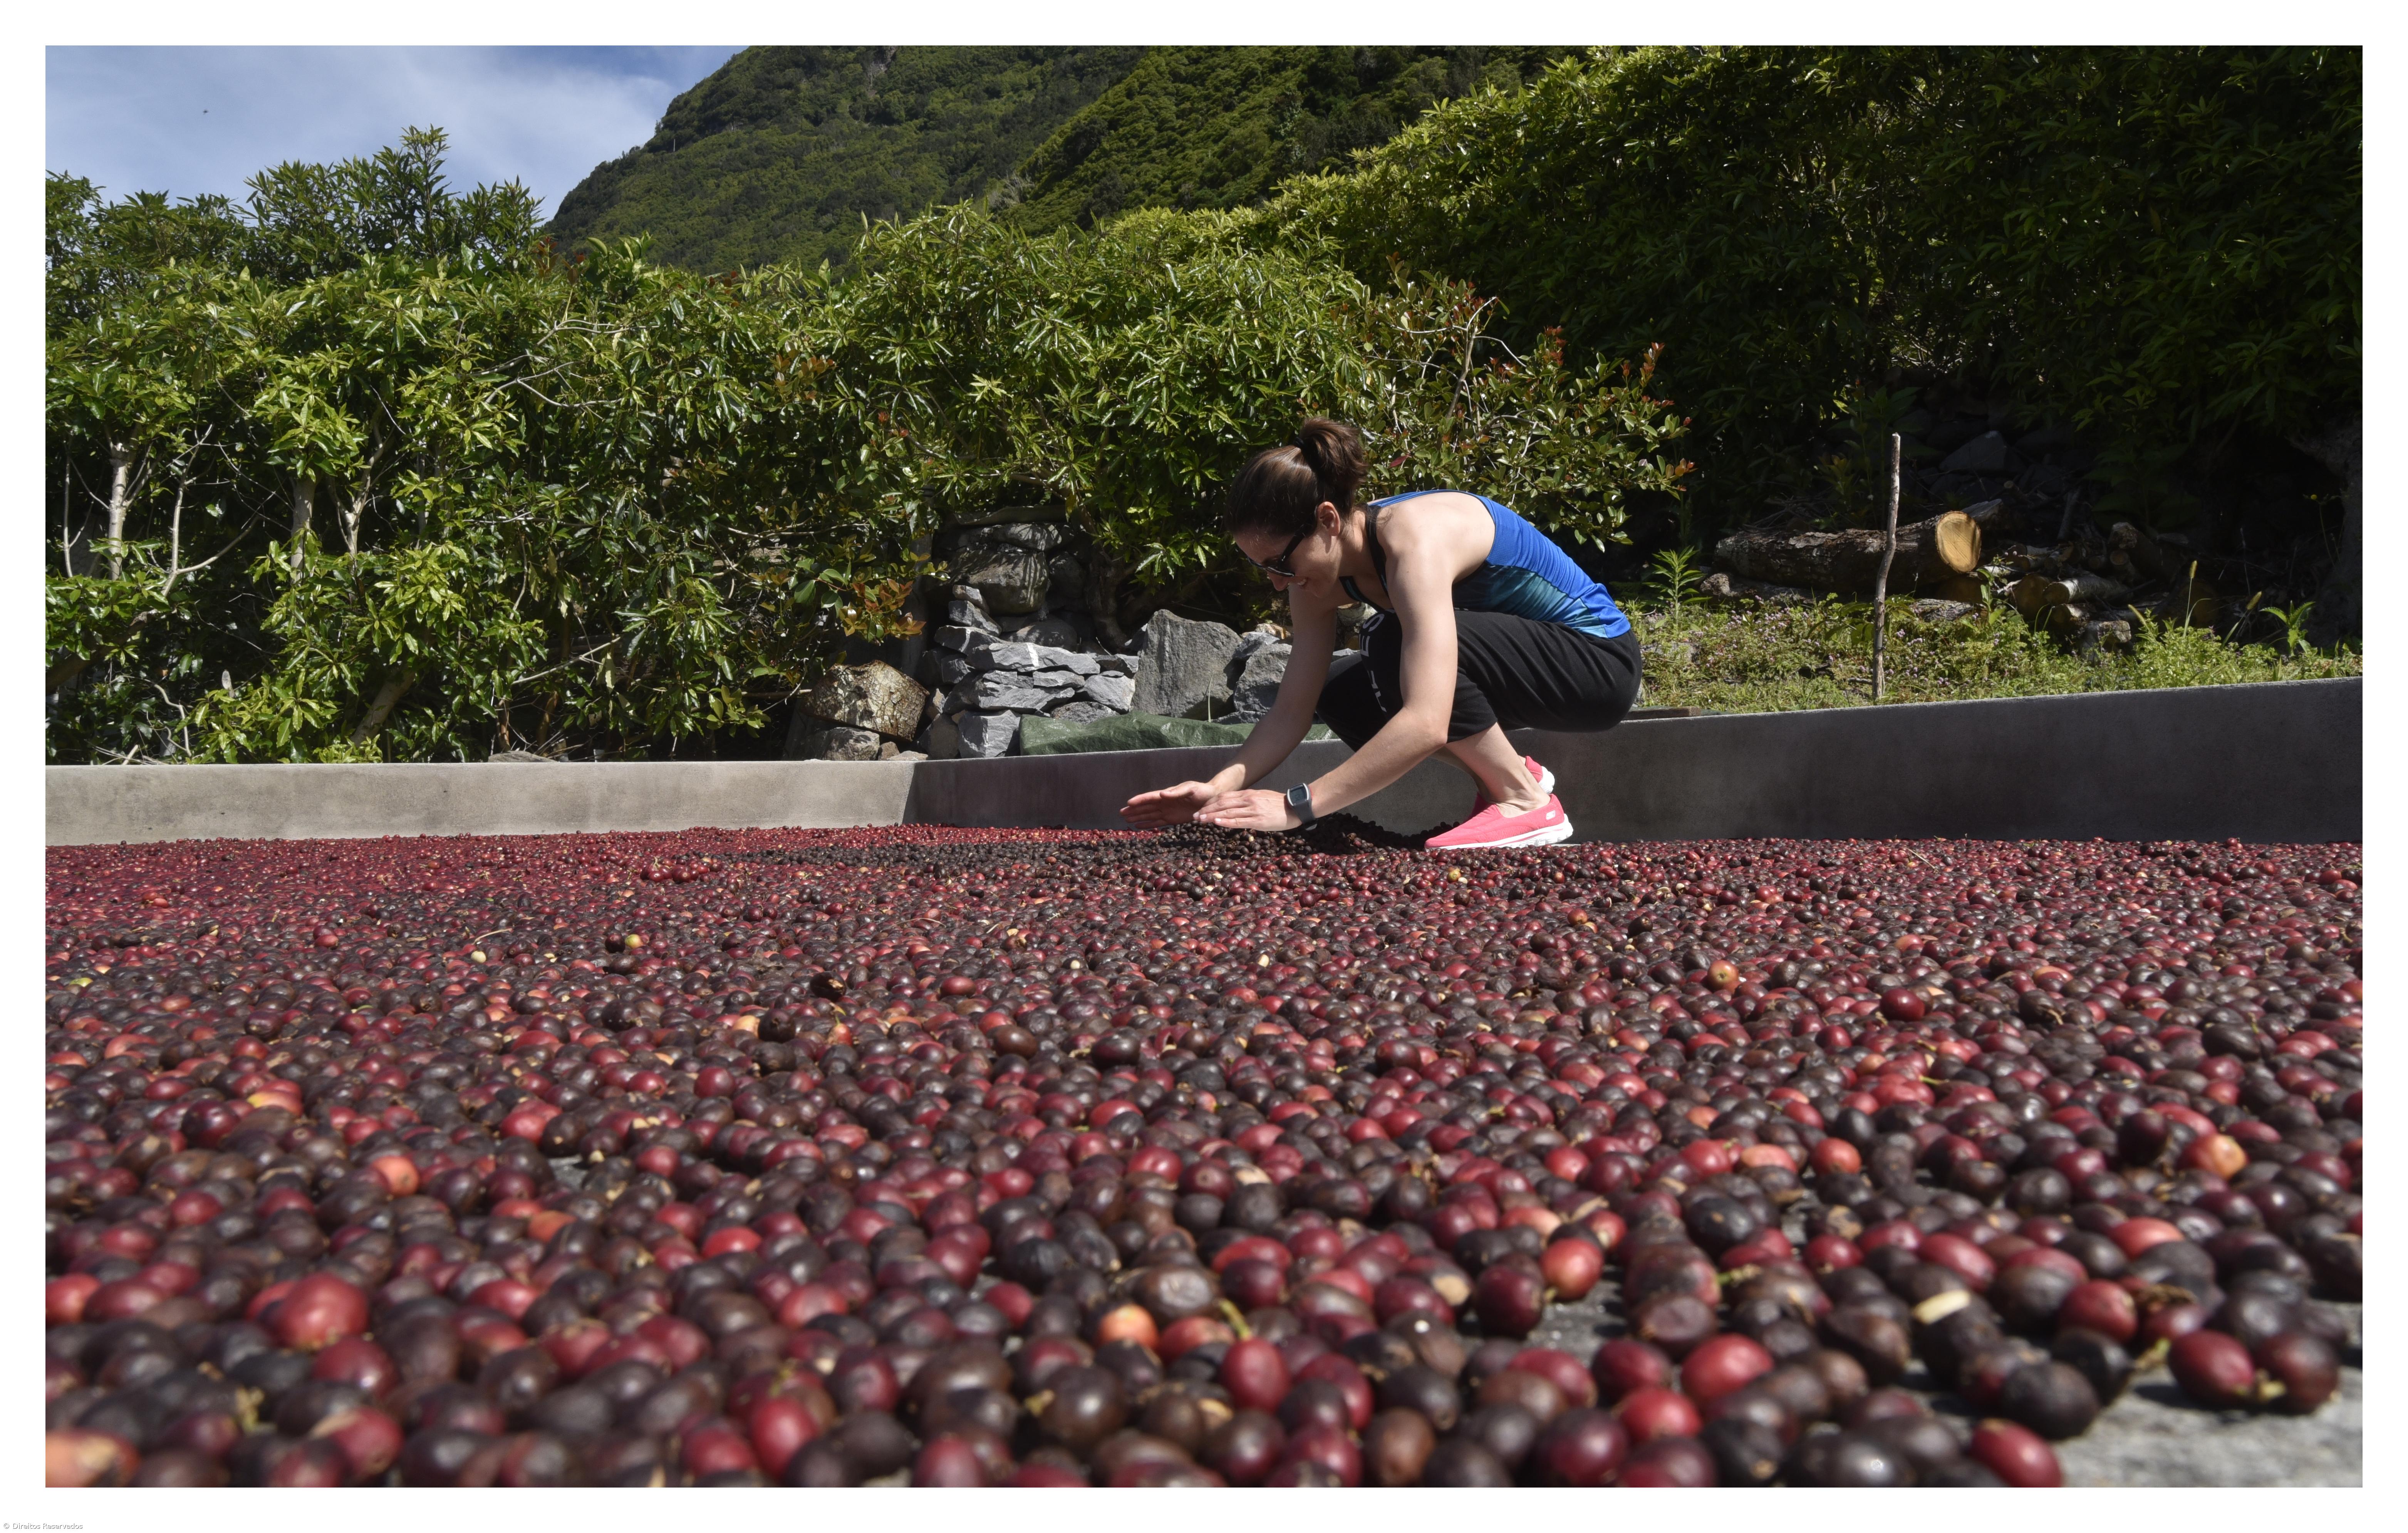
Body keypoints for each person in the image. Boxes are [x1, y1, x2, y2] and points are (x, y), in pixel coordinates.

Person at [1122, 418, 1642, 849]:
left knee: (1389, 643)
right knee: (1342, 692)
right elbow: (1292, 709)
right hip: (1526, 666)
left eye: (1280, 562)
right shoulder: (1315, 576)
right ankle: (1512, 775)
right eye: (1263, 569)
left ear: (1327, 519)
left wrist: (1294, 806)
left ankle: (1527, 801)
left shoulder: (1416, 541)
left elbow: (1427, 722)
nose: (1277, 582)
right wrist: (1219, 788)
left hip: (1596, 666)